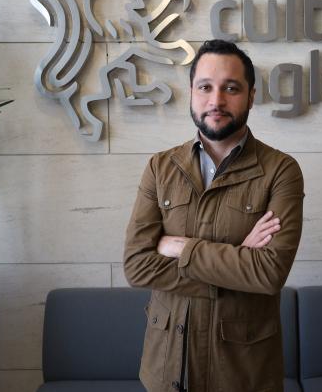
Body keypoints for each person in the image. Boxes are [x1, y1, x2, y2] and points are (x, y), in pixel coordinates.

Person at [123, 39, 305, 392]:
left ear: (251, 96)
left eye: (231, 88)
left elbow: (268, 273)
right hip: (166, 370)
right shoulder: (160, 167)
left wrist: (180, 247)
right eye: (205, 87)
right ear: (191, 93)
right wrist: (238, 259)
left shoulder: (281, 171)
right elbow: (137, 265)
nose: (216, 100)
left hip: (242, 375)